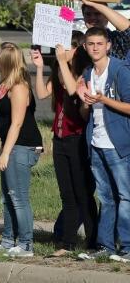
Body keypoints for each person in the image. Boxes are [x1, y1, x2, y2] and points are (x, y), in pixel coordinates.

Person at [59, 27, 130, 261]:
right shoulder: (88, 73)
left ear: (108, 45)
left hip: (117, 144)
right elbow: (84, 114)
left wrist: (103, 99)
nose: (96, 47)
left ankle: (127, 247)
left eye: (100, 43)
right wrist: (87, 103)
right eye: (91, 44)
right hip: (96, 142)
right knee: (106, 198)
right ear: (86, 47)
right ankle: (106, 246)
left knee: (125, 196)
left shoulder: (120, 70)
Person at [32, 34, 98, 257]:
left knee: (83, 194)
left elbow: (73, 90)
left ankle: (93, 243)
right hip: (59, 138)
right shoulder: (60, 70)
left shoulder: (83, 73)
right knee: (67, 195)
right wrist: (40, 67)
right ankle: (67, 243)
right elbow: (42, 93)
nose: (61, 51)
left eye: (66, 48)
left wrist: (62, 61)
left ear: (76, 49)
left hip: (77, 137)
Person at [0, 43, 42, 258]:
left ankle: (26, 243)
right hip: (11, 145)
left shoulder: (19, 87)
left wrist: (5, 152)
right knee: (7, 197)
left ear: (5, 62)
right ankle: (8, 240)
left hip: (22, 146)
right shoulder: (5, 85)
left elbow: (17, 123)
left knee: (18, 196)